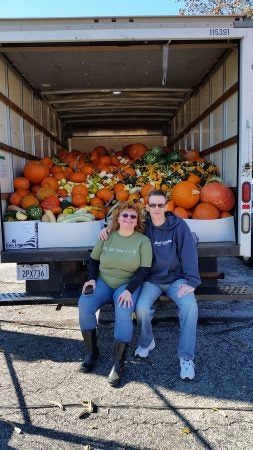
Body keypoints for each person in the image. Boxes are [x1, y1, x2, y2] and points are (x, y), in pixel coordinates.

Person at [100, 189, 201, 380]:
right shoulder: (143, 227)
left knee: (190, 307)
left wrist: (193, 281)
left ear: (166, 205)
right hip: (152, 280)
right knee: (142, 308)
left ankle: (186, 358)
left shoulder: (178, 226)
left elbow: (188, 252)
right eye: (152, 205)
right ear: (147, 207)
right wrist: (107, 230)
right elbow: (124, 230)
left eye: (160, 205)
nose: (156, 208)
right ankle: (147, 342)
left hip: (176, 279)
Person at [78, 201, 152, 387]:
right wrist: (91, 278)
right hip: (104, 280)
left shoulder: (142, 241)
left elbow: (143, 271)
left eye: (132, 216)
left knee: (123, 310)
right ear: (118, 218)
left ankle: (118, 363)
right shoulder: (106, 236)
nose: (128, 219)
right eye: (124, 215)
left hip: (127, 283)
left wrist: (129, 291)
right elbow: (94, 260)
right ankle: (91, 352)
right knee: (85, 304)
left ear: (137, 221)